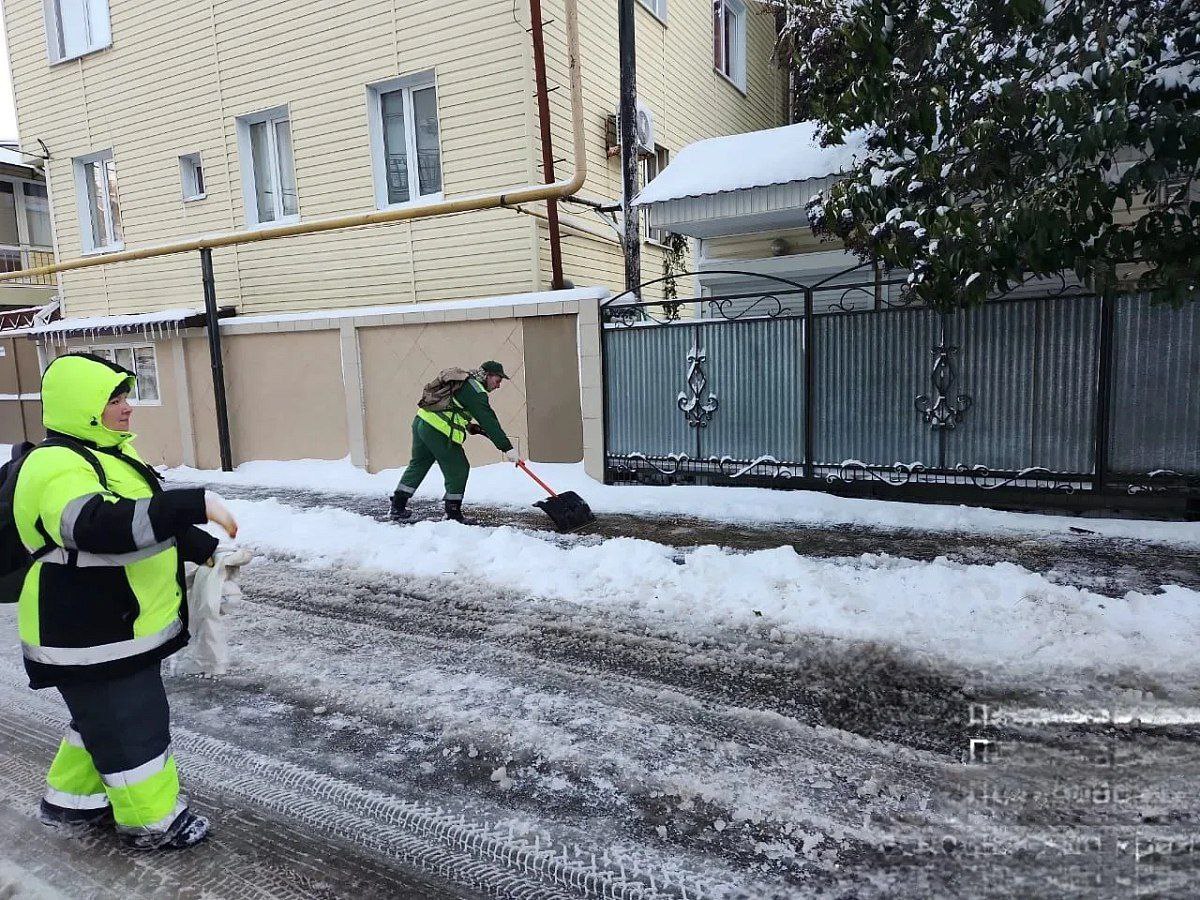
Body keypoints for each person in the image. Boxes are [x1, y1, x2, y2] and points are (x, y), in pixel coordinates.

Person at [13, 353, 238, 850]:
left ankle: (71, 802)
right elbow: (99, 526)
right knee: (132, 724)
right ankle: (153, 821)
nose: (127, 407)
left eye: (124, 396)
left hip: (113, 625)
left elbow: (141, 523)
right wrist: (191, 502)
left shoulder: (103, 455)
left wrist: (203, 549)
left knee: (101, 719)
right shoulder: (56, 464)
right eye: (113, 399)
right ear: (83, 405)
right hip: (90, 631)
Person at [391, 360, 520, 522]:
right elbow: (489, 420)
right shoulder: (476, 392)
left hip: (422, 421)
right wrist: (507, 448)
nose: (498, 385)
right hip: (437, 430)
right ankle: (453, 513)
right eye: (497, 380)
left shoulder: (466, 382)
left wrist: (469, 426)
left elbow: (452, 408)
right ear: (487, 376)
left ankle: (397, 506)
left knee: (419, 464)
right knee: (459, 467)